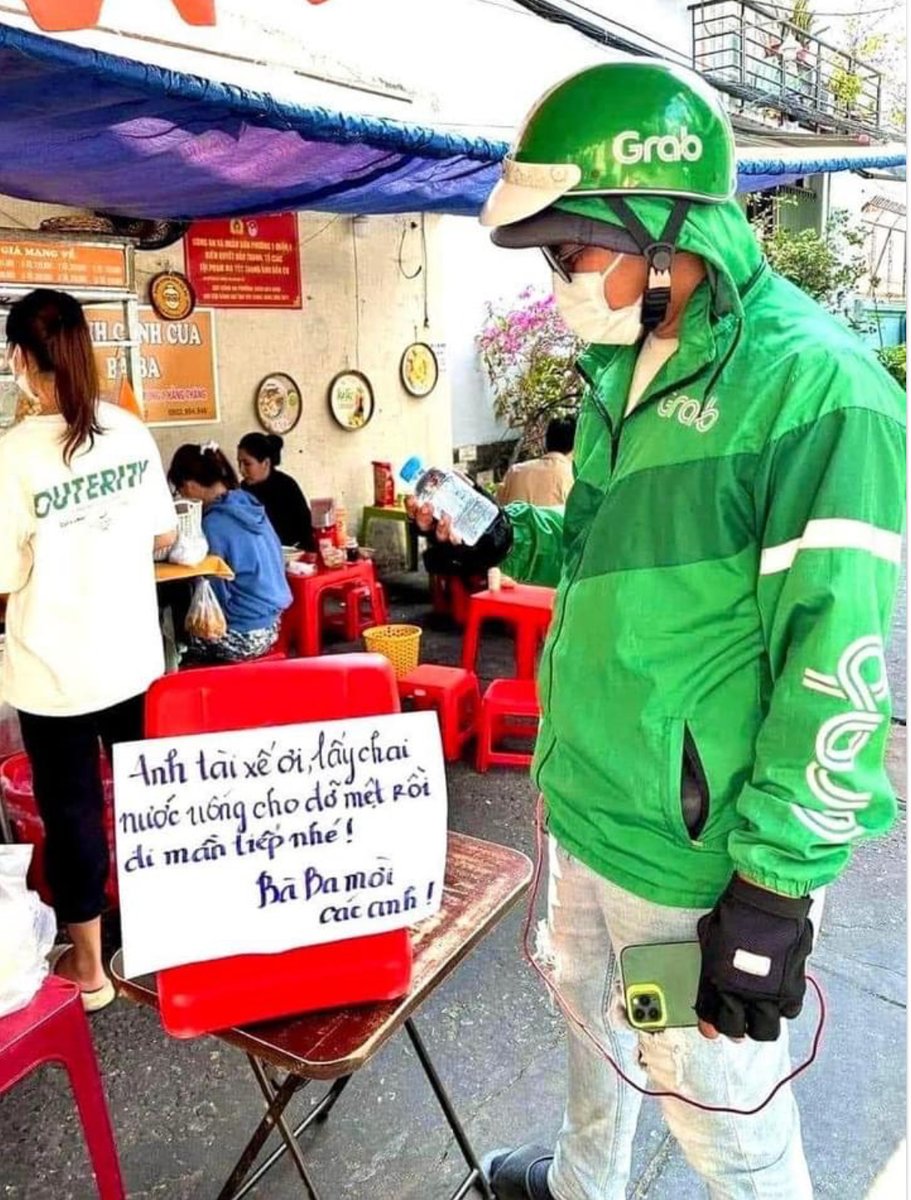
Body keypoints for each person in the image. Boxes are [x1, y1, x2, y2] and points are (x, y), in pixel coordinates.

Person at [411, 61, 905, 1200]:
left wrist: (774, 889)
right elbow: (593, 550)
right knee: (597, 1039)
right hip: (588, 803)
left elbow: (833, 669)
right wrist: (497, 541)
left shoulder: (817, 394)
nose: (560, 279)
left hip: (693, 860)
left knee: (720, 1124)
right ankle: (586, 1182)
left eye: (570, 252)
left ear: (659, 224)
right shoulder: (623, 363)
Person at [0, 288, 177, 1012]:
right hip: (132, 658)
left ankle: (91, 969)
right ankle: (168, 943)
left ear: (19, 359)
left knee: (72, 814)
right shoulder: (127, 430)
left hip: (56, 674)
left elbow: (4, 575)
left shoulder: (12, 455)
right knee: (148, 800)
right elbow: (163, 537)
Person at [167, 443, 291, 662]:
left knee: (171, 623)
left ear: (191, 485)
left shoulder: (213, 523)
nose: (182, 495)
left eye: (181, 489)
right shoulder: (249, 504)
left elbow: (214, 599)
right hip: (273, 626)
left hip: (242, 636)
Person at [237, 432, 314, 550]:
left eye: (247, 464)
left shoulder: (287, 486)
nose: (241, 470)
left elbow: (306, 528)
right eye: (239, 463)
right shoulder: (243, 489)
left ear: (266, 463)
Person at [498, 416, 576, 507]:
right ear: (576, 444)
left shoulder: (515, 472)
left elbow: (498, 508)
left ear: (545, 442)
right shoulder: (574, 479)